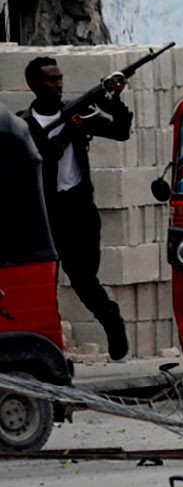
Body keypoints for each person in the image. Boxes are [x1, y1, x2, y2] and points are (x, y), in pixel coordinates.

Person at [19, 57, 133, 360]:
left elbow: (121, 131)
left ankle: (111, 320)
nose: (58, 85)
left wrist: (113, 99)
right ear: (33, 84)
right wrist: (69, 131)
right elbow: (45, 156)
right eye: (51, 80)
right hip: (45, 213)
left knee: (84, 279)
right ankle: (49, 345)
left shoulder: (76, 113)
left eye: (59, 79)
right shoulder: (23, 126)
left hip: (79, 208)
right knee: (44, 284)